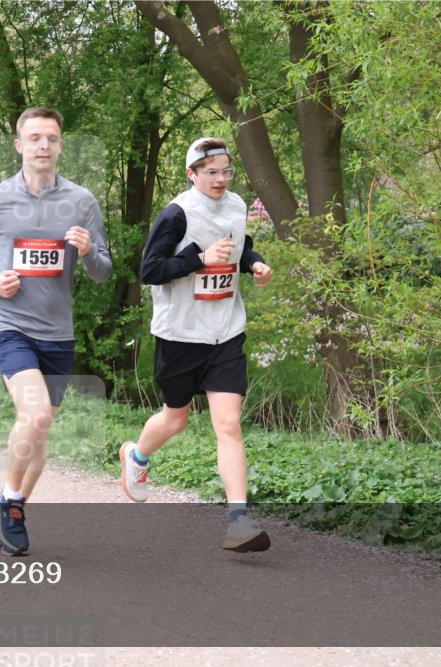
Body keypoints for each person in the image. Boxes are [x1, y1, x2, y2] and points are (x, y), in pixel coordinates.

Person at [0, 107, 112, 556]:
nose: (43, 145)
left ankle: (15, 507)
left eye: (51, 138)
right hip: (11, 326)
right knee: (37, 415)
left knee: (40, 433)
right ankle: (9, 498)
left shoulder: (82, 201)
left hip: (58, 333)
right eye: (34, 138)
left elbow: (103, 272)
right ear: (19, 145)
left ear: (61, 145)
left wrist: (88, 251)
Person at [119, 137, 273, 552]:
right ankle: (136, 457)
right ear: (192, 174)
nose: (221, 179)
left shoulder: (237, 205)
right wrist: (200, 259)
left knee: (229, 424)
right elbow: (150, 270)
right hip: (180, 335)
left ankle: (238, 521)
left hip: (226, 331)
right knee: (176, 419)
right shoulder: (177, 213)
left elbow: (240, 246)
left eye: (226, 171)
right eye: (211, 172)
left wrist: (254, 263)